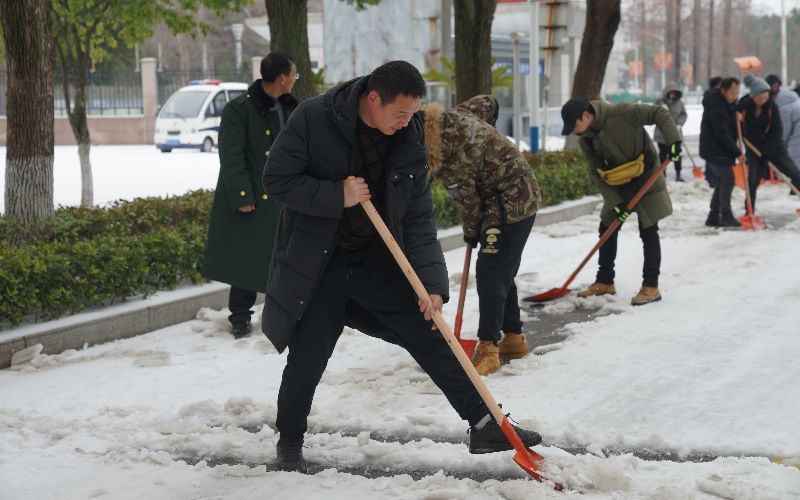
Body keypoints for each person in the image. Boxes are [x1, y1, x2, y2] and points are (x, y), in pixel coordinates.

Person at [261, 61, 542, 473]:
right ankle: (289, 444)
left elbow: (418, 219)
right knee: (308, 357)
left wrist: (432, 285)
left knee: (433, 333)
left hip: (377, 262)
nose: (407, 122)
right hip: (319, 265)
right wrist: (335, 194)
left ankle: (486, 423)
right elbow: (277, 180)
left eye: (412, 113)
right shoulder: (314, 118)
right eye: (400, 113)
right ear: (373, 99)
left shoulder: (408, 138)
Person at [420, 95, 541, 376]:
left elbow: (469, 203)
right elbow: (488, 103)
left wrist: (472, 233)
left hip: (512, 200)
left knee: (490, 271)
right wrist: (490, 139)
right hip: (510, 192)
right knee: (500, 269)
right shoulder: (451, 117)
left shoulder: (450, 160)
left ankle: (488, 348)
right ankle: (513, 338)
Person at [201, 52, 298, 339]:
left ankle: (282, 315)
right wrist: (242, 196)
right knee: (247, 259)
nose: (295, 80)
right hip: (255, 197)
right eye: (293, 74)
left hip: (285, 196)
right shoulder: (238, 109)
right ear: (282, 77)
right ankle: (240, 317)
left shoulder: (291, 108)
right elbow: (231, 157)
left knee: (285, 260)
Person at [561, 97, 680, 306]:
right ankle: (605, 281)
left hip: (647, 176)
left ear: (586, 115)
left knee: (649, 230)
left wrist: (674, 142)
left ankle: (651, 286)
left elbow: (658, 114)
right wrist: (615, 203)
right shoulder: (586, 138)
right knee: (607, 227)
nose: (575, 131)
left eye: (575, 125)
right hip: (619, 183)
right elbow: (596, 173)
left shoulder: (622, 112)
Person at [740, 78, 800, 210]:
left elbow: (777, 131)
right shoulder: (743, 107)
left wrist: (767, 152)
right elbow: (738, 129)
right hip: (753, 148)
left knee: (794, 173)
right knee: (753, 180)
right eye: (759, 98)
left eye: (765, 97)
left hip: (775, 148)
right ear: (752, 96)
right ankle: (749, 210)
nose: (763, 101)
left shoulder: (772, 107)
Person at [700, 77, 743, 227]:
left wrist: (736, 118)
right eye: (732, 93)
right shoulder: (716, 107)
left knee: (721, 181)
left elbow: (730, 128)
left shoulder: (727, 104)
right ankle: (725, 214)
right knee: (728, 179)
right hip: (714, 150)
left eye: (737, 93)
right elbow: (722, 134)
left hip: (720, 150)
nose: (734, 96)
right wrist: (738, 153)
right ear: (722, 90)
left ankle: (713, 216)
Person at [654, 82, 688, 182]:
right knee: (662, 154)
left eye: (674, 92)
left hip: (675, 135)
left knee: (676, 154)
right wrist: (662, 110)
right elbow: (653, 114)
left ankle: (678, 174)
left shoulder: (679, 103)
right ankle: (662, 174)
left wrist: (679, 124)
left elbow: (684, 115)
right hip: (662, 134)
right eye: (671, 92)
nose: (673, 93)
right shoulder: (660, 102)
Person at [704, 76, 724, 187]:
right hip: (712, 131)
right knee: (711, 155)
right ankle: (711, 178)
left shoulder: (715, 96)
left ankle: (715, 177)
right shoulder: (712, 97)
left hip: (716, 130)